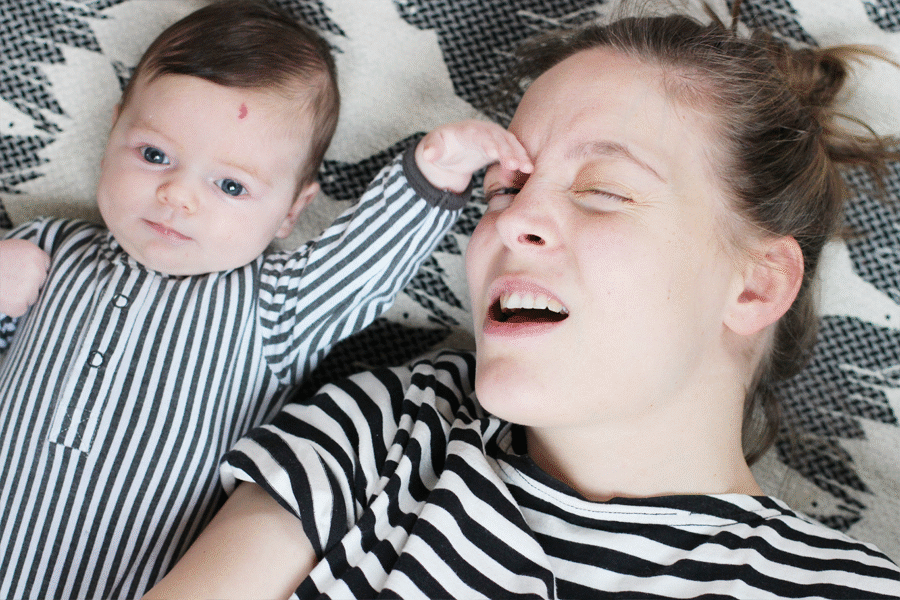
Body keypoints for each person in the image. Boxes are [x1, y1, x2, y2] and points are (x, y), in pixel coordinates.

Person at [144, 3, 900, 599]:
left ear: (756, 284)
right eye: (505, 187)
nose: (512, 220)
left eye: (602, 190)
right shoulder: (389, 437)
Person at [0, 1, 531, 598]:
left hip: (124, 577)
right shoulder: (50, 248)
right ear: (112, 135)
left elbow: (358, 267)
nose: (177, 195)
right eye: (153, 155)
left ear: (290, 212)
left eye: (230, 185)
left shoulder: (274, 305)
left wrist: (433, 174)